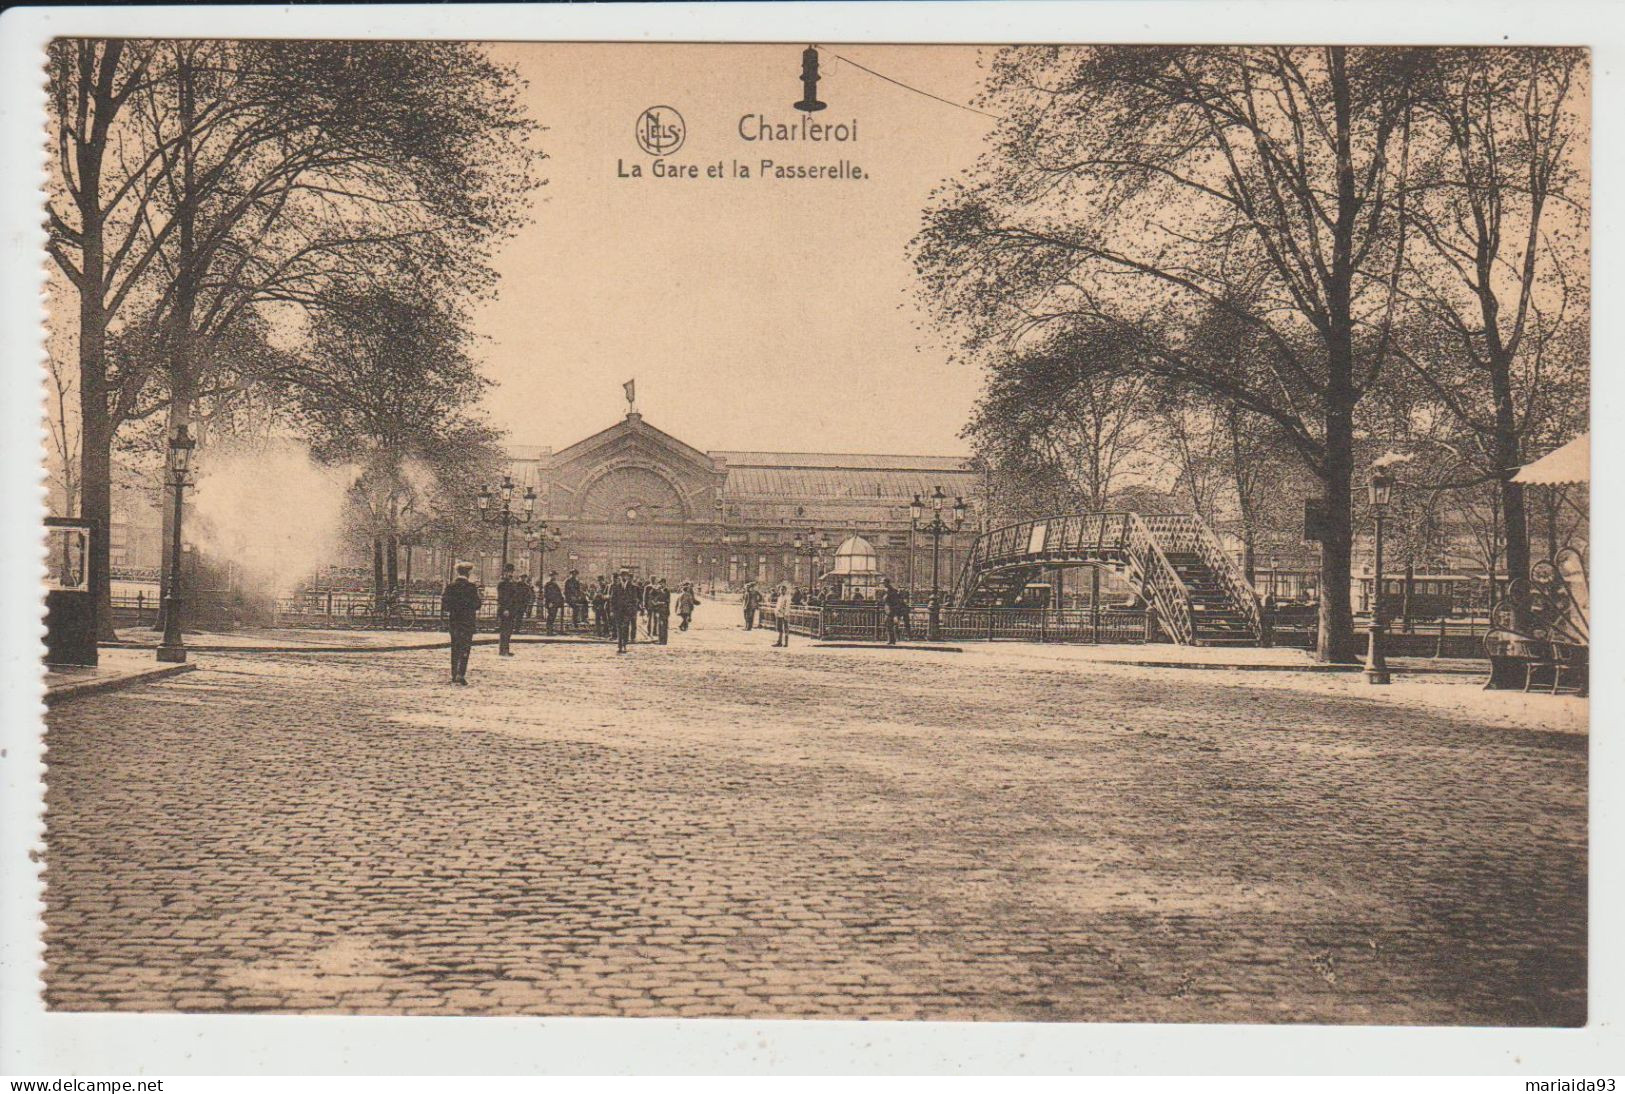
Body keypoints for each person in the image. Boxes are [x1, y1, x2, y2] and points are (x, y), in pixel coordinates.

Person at [440, 562, 482, 684]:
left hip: (455, 622)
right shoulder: (471, 588)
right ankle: (461, 673)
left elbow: (445, 605)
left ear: (458, 573)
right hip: (467, 622)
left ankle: (454, 674)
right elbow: (477, 604)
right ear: (468, 573)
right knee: (465, 648)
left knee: (455, 647)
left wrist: (454, 609)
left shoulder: (450, 587)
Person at [496, 563, 524, 656]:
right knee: (504, 630)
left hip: (511, 610)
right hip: (505, 610)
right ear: (504, 573)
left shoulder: (512, 583)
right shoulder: (502, 583)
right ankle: (502, 650)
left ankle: (506, 649)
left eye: (511, 572)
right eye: (508, 572)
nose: (510, 574)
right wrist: (505, 609)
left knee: (509, 630)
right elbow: (502, 598)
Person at [609, 569, 640, 653]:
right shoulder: (616, 587)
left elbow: (635, 600)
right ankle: (619, 646)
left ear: (627, 576)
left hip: (628, 611)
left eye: (625, 575)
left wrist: (633, 611)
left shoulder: (633, 587)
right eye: (622, 575)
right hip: (618, 611)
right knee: (619, 628)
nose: (624, 577)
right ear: (620, 576)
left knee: (625, 628)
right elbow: (612, 600)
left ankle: (624, 645)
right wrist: (612, 610)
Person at [882, 577, 911, 645]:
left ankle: (891, 640)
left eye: (883, 583)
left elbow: (890, 600)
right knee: (889, 625)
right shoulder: (890, 590)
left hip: (891, 610)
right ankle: (892, 640)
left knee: (889, 624)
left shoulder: (890, 590)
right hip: (890, 610)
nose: (883, 584)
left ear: (887, 583)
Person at [648, 577, 672, 644]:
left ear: (665, 583)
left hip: (665, 610)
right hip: (658, 610)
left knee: (664, 625)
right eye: (660, 583)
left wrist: (662, 603)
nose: (661, 585)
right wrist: (655, 603)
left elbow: (668, 601)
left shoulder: (667, 591)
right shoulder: (657, 590)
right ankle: (661, 640)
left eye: (662, 583)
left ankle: (664, 640)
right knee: (660, 625)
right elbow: (650, 596)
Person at [542, 570, 564, 635]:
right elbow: (547, 594)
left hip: (555, 603)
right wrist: (549, 602)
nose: (554, 577)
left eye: (555, 575)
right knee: (550, 617)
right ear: (550, 576)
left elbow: (558, 594)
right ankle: (549, 631)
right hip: (551, 603)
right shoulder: (548, 584)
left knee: (553, 616)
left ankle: (550, 630)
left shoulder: (555, 584)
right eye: (553, 575)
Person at [772, 582, 793, 647]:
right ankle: (779, 642)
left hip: (784, 614)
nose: (781, 591)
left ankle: (786, 643)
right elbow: (778, 606)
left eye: (783, 590)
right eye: (781, 590)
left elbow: (787, 606)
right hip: (779, 614)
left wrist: (786, 614)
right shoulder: (780, 597)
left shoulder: (787, 597)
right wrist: (776, 612)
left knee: (786, 628)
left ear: (785, 590)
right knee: (779, 628)